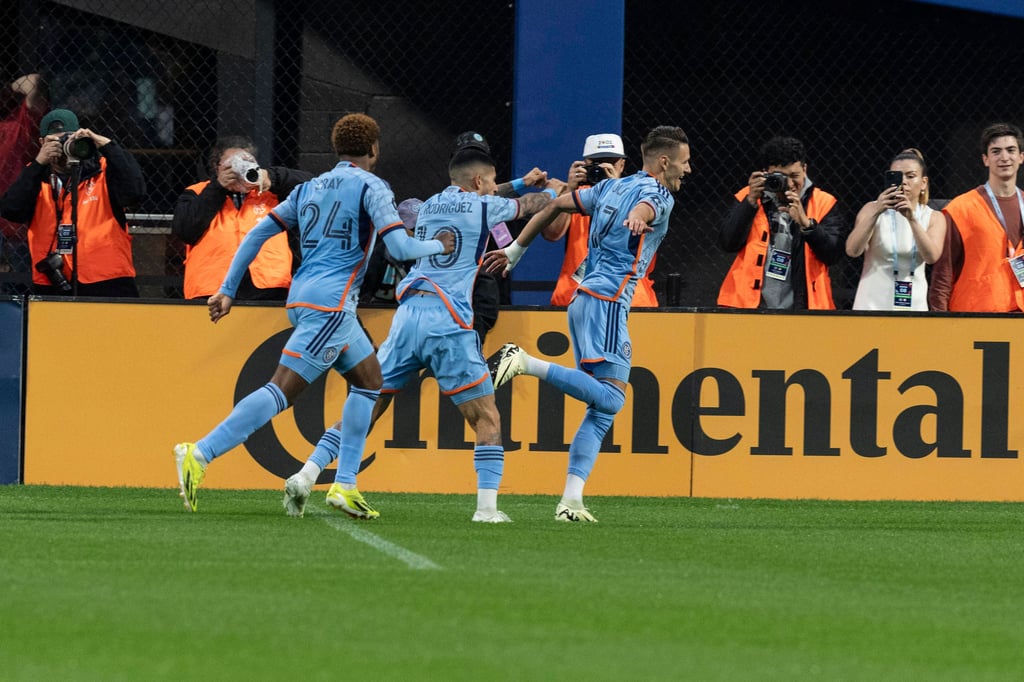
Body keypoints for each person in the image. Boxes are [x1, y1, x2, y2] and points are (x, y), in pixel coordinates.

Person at [173, 113, 454, 513]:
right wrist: (439, 247)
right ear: (374, 149)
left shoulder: (311, 187)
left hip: (308, 296)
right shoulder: (372, 186)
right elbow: (402, 250)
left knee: (370, 381)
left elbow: (258, 234)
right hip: (332, 306)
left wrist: (227, 289)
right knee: (280, 391)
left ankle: (345, 484)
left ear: (337, 149)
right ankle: (200, 452)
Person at [282, 145, 556, 522]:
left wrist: (519, 182)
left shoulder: (429, 205)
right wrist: (554, 191)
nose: (494, 188)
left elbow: (486, 195)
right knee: (486, 417)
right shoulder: (483, 206)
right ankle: (487, 510)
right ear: (478, 181)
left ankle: (306, 473)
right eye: (490, 181)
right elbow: (528, 207)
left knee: (369, 404)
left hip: (408, 316)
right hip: (448, 321)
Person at [482, 125, 692, 522]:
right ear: (664, 162)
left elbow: (557, 205)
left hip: (583, 298)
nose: (689, 169)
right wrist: (636, 217)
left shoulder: (609, 188)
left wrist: (514, 250)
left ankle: (571, 502)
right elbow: (647, 206)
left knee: (601, 410)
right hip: (607, 301)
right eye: (684, 161)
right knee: (612, 398)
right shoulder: (657, 194)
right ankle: (524, 362)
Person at [0, 107, 146, 297]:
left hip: (107, 278)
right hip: (53, 278)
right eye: (56, 141)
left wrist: (107, 145)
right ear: (42, 143)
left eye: (68, 139)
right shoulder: (35, 174)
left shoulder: (102, 169)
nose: (63, 147)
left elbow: (135, 193)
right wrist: (38, 164)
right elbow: (12, 210)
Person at [171, 135, 312, 301]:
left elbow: (315, 186)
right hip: (211, 287)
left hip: (268, 285)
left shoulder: (270, 193)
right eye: (231, 165)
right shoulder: (197, 192)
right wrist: (218, 187)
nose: (238, 171)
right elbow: (185, 231)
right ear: (217, 167)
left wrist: (270, 177)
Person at [716, 136, 845, 310]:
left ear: (805, 169)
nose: (789, 184)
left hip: (806, 308)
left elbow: (833, 254)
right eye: (781, 177)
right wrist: (750, 202)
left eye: (795, 175)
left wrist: (807, 224)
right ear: (765, 173)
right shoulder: (749, 196)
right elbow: (727, 242)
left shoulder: (823, 202)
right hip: (749, 306)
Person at [544, 133, 659, 307]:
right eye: (596, 164)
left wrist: (616, 188)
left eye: (610, 163)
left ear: (622, 164)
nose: (603, 169)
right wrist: (569, 189)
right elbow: (552, 234)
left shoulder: (641, 195)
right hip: (575, 296)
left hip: (629, 298)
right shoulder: (575, 197)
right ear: (585, 165)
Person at [928, 123, 1024, 312]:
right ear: (985, 159)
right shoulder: (960, 209)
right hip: (976, 319)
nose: (1004, 157)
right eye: (996, 151)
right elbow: (943, 275)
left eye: (1011, 150)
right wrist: (938, 324)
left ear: (1021, 157)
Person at [846, 149, 945, 311]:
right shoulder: (871, 208)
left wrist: (912, 219)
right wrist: (877, 211)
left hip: (914, 305)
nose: (904, 182)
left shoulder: (934, 217)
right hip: (871, 304)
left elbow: (931, 257)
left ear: (923, 182)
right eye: (897, 176)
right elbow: (852, 250)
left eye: (911, 176)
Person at [0, 73, 48, 286]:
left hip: (14, 231)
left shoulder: (18, 127)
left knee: (19, 292)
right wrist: (9, 88)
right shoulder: (14, 127)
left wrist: (7, 89)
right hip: (13, 230)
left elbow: (34, 81)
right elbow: (32, 83)